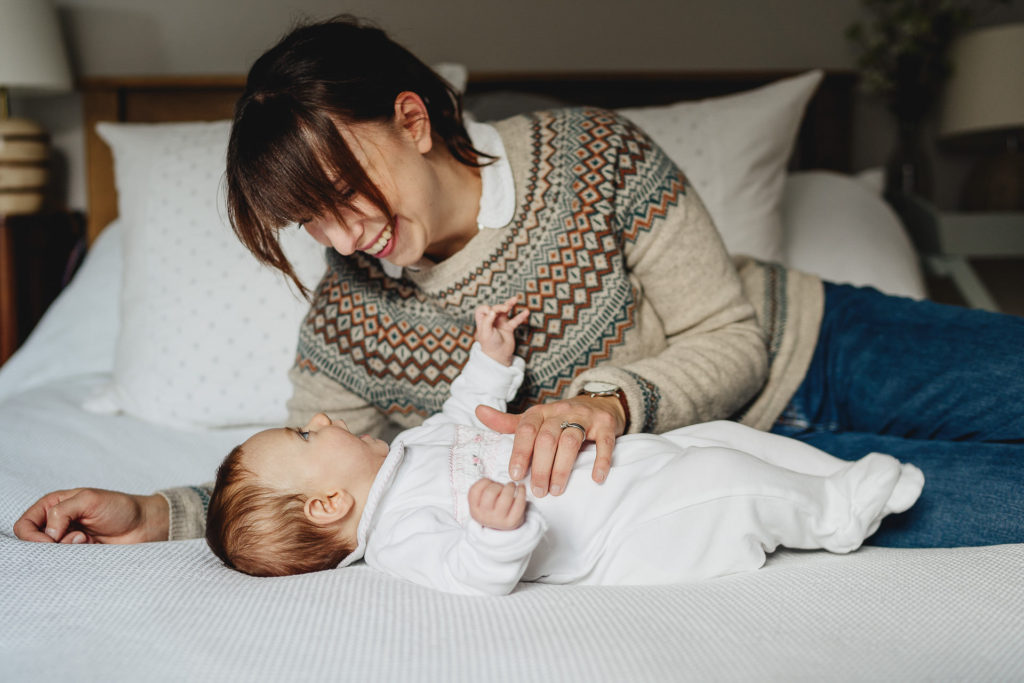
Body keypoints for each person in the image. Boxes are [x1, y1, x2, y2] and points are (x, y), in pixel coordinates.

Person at [12, 16, 1024, 550]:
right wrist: (160, 512)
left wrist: (605, 401)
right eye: (308, 219)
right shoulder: (349, 320)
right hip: (740, 467)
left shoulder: (592, 158)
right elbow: (322, 481)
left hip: (818, 343)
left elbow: (731, 336)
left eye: (343, 189)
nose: (344, 233)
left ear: (413, 119)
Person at [205, 300, 923, 595]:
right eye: (307, 435)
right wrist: (495, 529)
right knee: (726, 479)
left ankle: (844, 473)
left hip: (626, 467)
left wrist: (491, 355)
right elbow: (471, 574)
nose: (324, 420)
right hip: (627, 533)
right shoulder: (399, 538)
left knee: (726, 437)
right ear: (330, 503)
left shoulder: (411, 449)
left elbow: (469, 410)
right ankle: (835, 513)